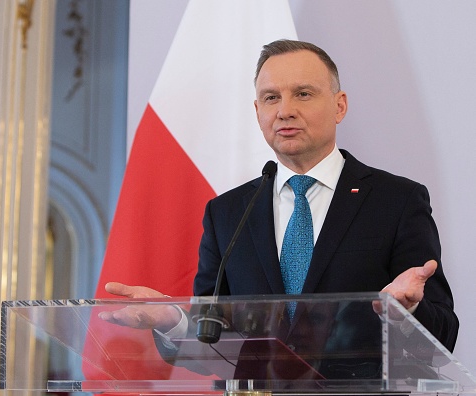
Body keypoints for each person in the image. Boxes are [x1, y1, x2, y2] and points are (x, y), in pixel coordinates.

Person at [101, 39, 459, 354]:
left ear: (339, 106)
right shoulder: (227, 213)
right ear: (258, 113)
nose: (284, 110)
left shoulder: (396, 201)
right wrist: (172, 320)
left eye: (303, 94)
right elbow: (211, 338)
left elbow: (443, 332)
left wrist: (407, 312)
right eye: (271, 97)